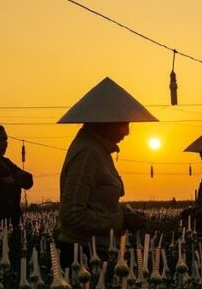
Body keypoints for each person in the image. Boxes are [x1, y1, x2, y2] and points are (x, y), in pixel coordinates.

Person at [55, 77, 154, 266]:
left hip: (95, 249)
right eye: (123, 123)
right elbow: (72, 215)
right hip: (82, 255)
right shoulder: (88, 153)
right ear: (105, 122)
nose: (127, 132)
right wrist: (120, 221)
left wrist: (124, 214)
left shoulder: (99, 150)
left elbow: (96, 204)